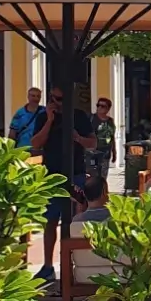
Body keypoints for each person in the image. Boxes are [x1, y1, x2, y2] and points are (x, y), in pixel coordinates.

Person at [30, 88, 97, 284]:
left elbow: (92, 143)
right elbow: (35, 143)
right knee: (50, 222)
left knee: (75, 222)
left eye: (59, 99)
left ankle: (75, 265)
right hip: (51, 176)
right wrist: (50, 122)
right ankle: (48, 266)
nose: (55, 103)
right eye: (52, 99)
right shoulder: (43, 117)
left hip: (75, 175)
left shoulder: (79, 116)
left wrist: (77, 138)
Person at [92, 97, 118, 191]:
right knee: (93, 176)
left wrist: (114, 152)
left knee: (103, 176)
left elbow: (112, 137)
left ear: (108, 108)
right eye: (98, 105)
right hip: (93, 152)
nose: (99, 108)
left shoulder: (110, 121)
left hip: (105, 152)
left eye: (102, 106)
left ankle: (102, 193)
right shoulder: (92, 119)